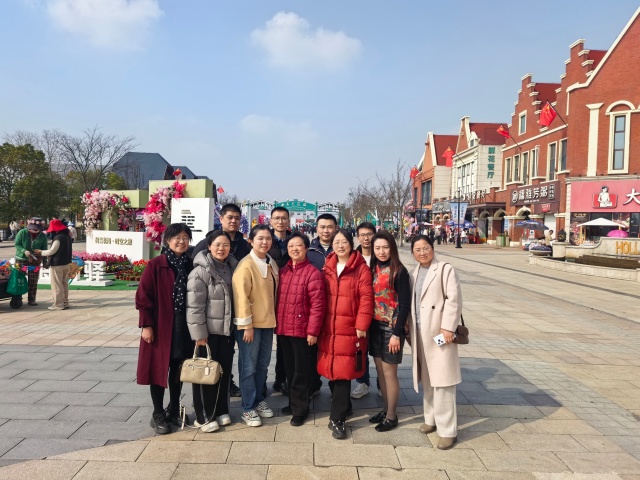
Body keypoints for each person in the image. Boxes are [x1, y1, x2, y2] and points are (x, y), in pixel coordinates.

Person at [136, 223, 194, 435]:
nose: (181, 241)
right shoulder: (156, 264)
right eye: (177, 237)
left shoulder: (190, 265)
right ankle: (158, 413)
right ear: (168, 241)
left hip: (183, 326)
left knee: (178, 369)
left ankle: (174, 409)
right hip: (160, 325)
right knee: (158, 369)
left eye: (185, 237)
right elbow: (143, 297)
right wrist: (146, 325)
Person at [318, 229, 374, 439]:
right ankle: (345, 406)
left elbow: (366, 299)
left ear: (351, 244)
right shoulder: (328, 266)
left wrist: (362, 324)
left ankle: (337, 419)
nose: (340, 246)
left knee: (343, 371)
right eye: (336, 242)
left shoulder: (361, 268)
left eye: (344, 242)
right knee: (332, 370)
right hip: (329, 327)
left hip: (349, 328)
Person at [409, 234, 462, 450]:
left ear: (433, 248)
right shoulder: (414, 273)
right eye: (418, 249)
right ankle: (430, 418)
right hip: (420, 332)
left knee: (443, 381)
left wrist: (448, 327)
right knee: (427, 378)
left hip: (439, 333)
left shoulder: (445, 269)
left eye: (426, 248)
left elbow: (454, 299)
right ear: (412, 253)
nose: (422, 252)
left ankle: (448, 430)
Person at [191, 203, 250, 397]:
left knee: (229, 354)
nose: (233, 221)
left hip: (234, 312)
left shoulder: (244, 245)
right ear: (221, 218)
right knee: (210, 358)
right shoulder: (208, 241)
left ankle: (226, 387)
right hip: (212, 314)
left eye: (237, 218)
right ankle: (206, 402)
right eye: (229, 217)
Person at [187, 231, 237, 433]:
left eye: (225, 244)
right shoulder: (200, 272)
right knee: (204, 374)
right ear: (209, 246)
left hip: (226, 331)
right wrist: (199, 334)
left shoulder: (232, 267)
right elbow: (194, 306)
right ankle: (204, 416)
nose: (221, 248)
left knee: (223, 371)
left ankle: (221, 409)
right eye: (217, 244)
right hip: (207, 333)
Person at [276, 232, 325, 426]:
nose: (294, 249)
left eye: (298, 246)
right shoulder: (283, 271)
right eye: (291, 246)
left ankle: (300, 410)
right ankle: (293, 403)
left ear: (306, 249)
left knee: (301, 371)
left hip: (302, 331)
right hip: (284, 330)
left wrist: (313, 331)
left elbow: (318, 306)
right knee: (289, 369)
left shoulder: (313, 273)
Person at [232, 225, 278, 427]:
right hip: (251, 326)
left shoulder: (270, 262)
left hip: (267, 323)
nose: (264, 242)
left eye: (268, 238)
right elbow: (241, 297)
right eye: (260, 238)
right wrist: (247, 326)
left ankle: (258, 399)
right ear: (250, 241)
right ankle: (248, 407)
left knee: (262, 364)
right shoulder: (246, 265)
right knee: (248, 366)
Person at [367, 231, 410, 432]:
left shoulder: (399, 271)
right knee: (380, 373)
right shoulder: (372, 268)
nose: (382, 251)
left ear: (392, 248)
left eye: (385, 247)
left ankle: (392, 416)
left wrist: (396, 334)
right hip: (374, 327)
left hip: (391, 329)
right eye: (377, 248)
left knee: (389, 373)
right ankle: (385, 410)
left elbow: (404, 305)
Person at [268, 206, 292, 397]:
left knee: (285, 342)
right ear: (271, 221)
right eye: (277, 218)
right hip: (268, 296)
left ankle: (281, 379)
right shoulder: (266, 240)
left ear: (288, 221)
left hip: (289, 297)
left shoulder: (294, 240)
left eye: (284, 218)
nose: (280, 221)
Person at [351, 221, 376, 400]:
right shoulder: (353, 257)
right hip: (359, 310)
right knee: (361, 349)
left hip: (381, 312)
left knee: (381, 350)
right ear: (358, 237)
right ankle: (363, 382)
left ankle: (383, 383)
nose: (366, 238)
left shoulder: (382, 254)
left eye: (369, 234)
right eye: (363, 235)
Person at [34, 219, 73, 311]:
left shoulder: (58, 238)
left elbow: (52, 251)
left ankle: (58, 304)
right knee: (64, 283)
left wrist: (41, 252)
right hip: (66, 263)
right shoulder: (67, 236)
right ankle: (65, 302)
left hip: (57, 264)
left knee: (56, 284)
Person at [13, 218, 48, 306]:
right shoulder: (22, 232)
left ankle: (32, 299)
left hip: (35, 260)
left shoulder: (43, 236)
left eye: (37, 229)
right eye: (33, 229)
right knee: (18, 278)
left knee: (33, 280)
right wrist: (24, 251)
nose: (35, 231)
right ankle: (17, 297)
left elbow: (44, 250)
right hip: (21, 259)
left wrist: (45, 261)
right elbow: (17, 244)